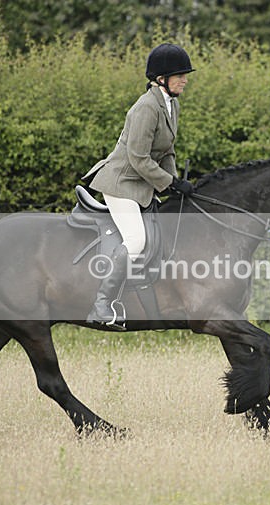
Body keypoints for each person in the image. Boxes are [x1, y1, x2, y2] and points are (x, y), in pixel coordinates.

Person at [81, 43, 196, 326]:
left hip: (141, 183)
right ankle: (101, 305)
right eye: (179, 75)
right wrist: (167, 182)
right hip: (121, 183)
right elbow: (138, 157)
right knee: (136, 240)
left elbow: (166, 151)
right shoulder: (145, 107)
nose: (185, 79)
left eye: (185, 74)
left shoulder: (171, 105)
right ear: (161, 79)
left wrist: (175, 182)